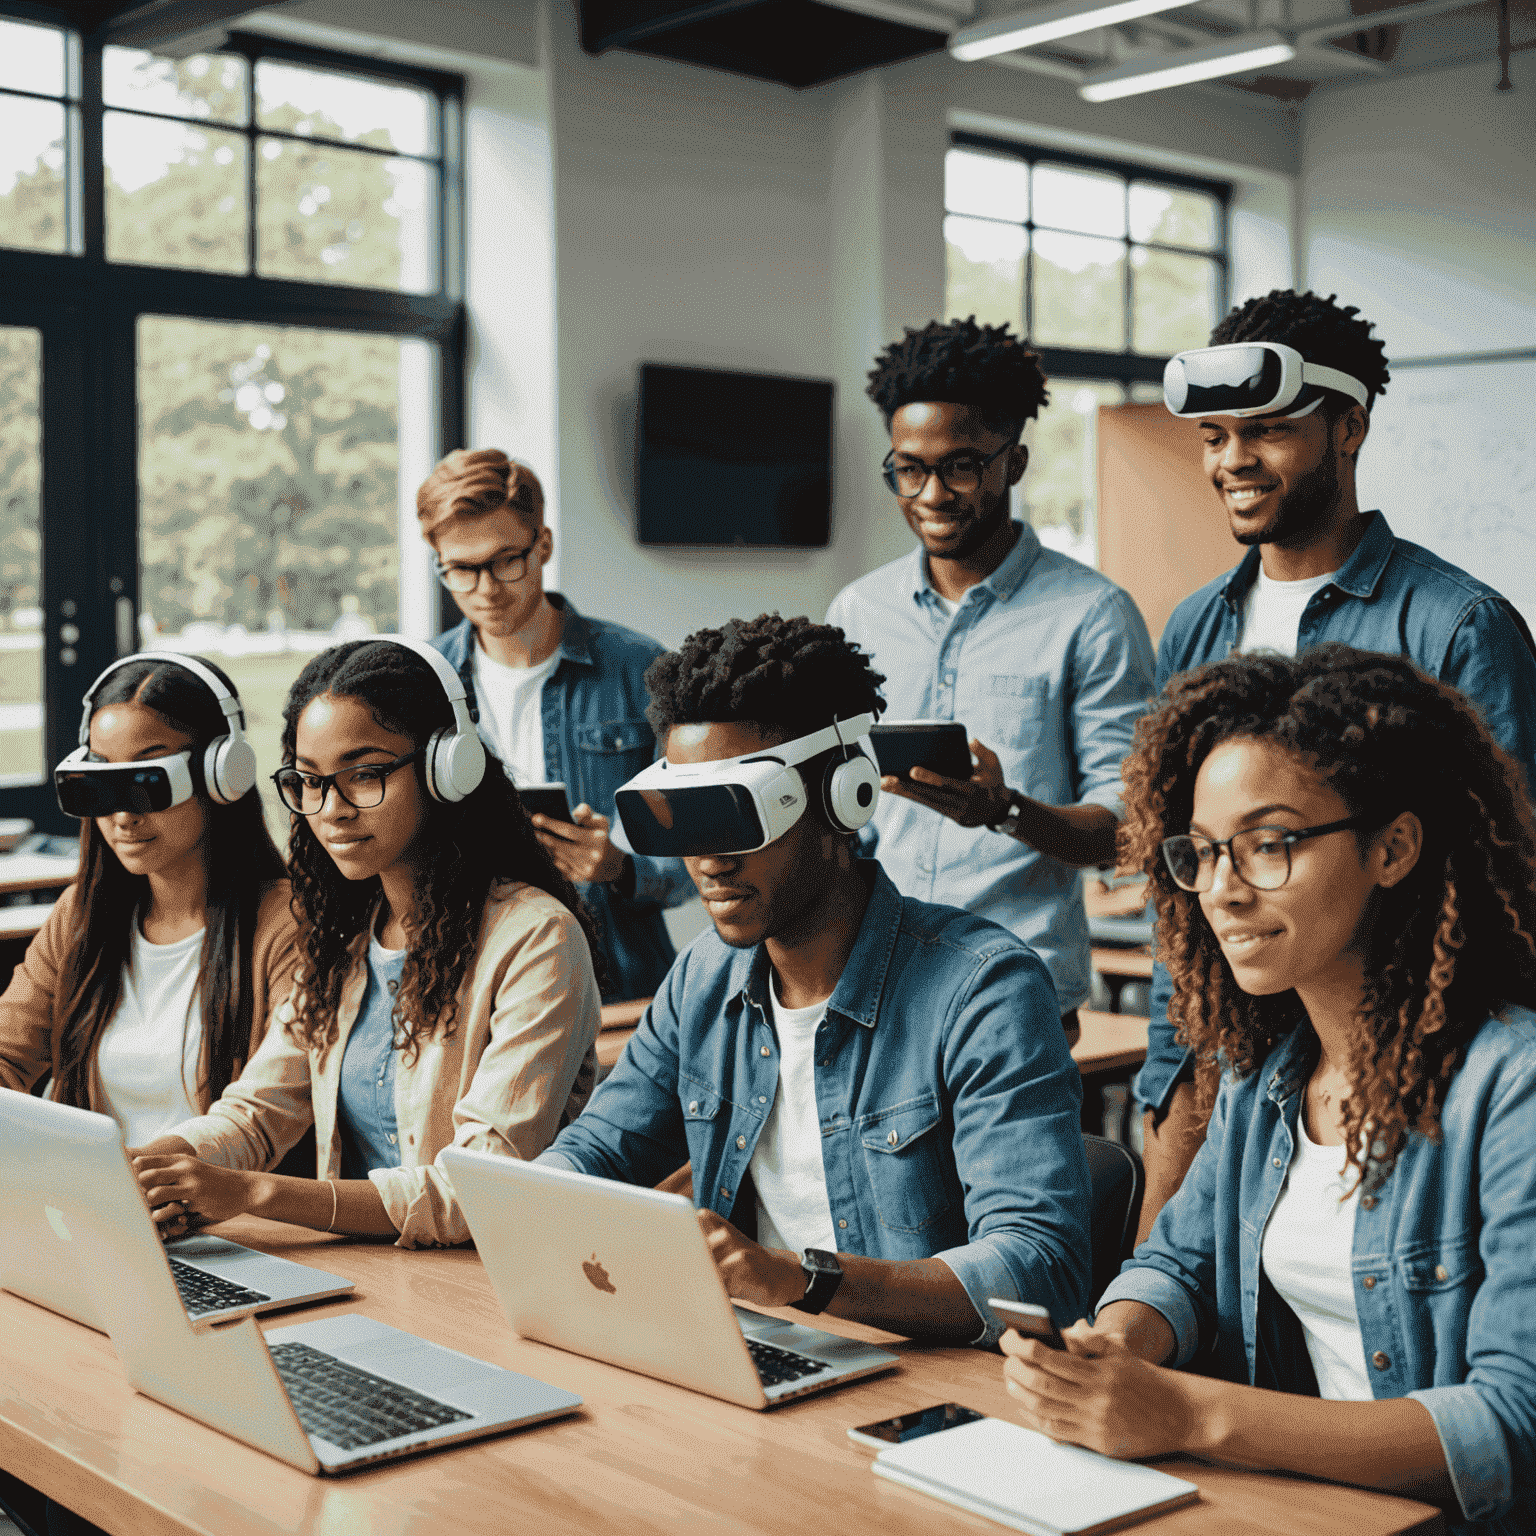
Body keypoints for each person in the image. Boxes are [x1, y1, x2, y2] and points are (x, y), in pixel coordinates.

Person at [1001, 645, 1536, 1534]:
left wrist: (1186, 1415)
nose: (1221, 891)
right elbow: (1180, 1262)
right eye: (1203, 853)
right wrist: (1113, 1344)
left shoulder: (1511, 1089)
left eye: (1267, 846)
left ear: (1393, 847)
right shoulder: (1270, 1076)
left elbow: (1510, 1428)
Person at [540, 614, 1091, 1343]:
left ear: (844, 798)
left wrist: (801, 1281)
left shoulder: (983, 991)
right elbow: (601, 1150)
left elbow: (1038, 1265)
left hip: (921, 1386)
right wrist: (525, 1197)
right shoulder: (704, 976)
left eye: (737, 813)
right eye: (684, 817)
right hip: (758, 1355)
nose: (707, 859)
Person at [1136, 289, 1536, 1242]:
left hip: (1403, 1065)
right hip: (1217, 1061)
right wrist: (1170, 1074)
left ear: (1348, 426)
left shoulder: (1454, 624)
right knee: (1160, 1314)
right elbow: (1178, 873)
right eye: (1216, 436)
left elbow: (1509, 884)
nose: (1234, 460)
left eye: (1268, 430)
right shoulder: (1197, 625)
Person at [132, 637, 602, 1247]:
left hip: (489, 1282)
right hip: (364, 1270)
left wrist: (252, 1193)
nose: (331, 809)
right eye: (308, 781)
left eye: (365, 775)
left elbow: (479, 1188)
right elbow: (257, 1112)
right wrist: (157, 1164)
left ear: (446, 767)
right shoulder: (342, 936)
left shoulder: (537, 939)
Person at [826, 318, 1155, 1043]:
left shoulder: (1092, 616)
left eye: (962, 466)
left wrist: (1006, 812)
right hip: (874, 988)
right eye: (909, 469)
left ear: (1016, 461)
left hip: (1015, 998)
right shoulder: (858, 611)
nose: (933, 493)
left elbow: (1127, 830)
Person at [419, 448, 692, 1003]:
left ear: (543, 544)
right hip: (472, 981)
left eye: (505, 561)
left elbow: (702, 844)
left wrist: (620, 867)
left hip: (615, 978)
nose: (486, 590)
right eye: (461, 570)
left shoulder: (643, 671)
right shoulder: (423, 683)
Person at [0, 653, 297, 1141]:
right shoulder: (79, 914)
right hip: (93, 1203)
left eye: (146, 783)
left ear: (222, 773)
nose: (122, 815)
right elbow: (9, 1056)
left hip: (216, 1207)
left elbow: (266, 1110)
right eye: (99, 784)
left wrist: (168, 1174)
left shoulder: (286, 925)